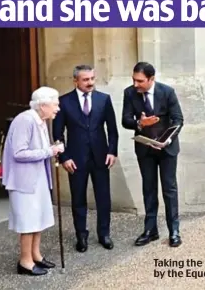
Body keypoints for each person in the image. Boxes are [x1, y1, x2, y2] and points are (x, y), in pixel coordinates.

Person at [52, 65, 119, 253]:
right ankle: (81, 235)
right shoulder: (64, 102)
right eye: (85, 79)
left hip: (101, 157)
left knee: (103, 198)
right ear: (75, 81)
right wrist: (64, 157)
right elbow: (57, 134)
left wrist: (112, 151)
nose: (90, 82)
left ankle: (104, 234)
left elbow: (112, 130)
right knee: (78, 198)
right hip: (75, 159)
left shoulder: (103, 100)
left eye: (92, 78)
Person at [121, 62, 184, 247]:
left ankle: (174, 230)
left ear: (151, 79)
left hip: (167, 148)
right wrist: (140, 124)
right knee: (148, 189)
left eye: (140, 81)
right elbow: (125, 120)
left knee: (169, 189)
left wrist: (167, 140)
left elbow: (178, 119)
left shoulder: (167, 92)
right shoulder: (129, 93)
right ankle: (150, 230)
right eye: (133, 80)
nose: (135, 84)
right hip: (144, 149)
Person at [2, 86, 64, 276]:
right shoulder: (25, 120)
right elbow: (19, 153)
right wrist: (49, 151)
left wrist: (51, 148)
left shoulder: (41, 120)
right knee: (28, 221)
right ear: (43, 105)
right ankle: (25, 261)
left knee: (38, 218)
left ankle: (35, 255)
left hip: (38, 179)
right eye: (55, 104)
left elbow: (38, 148)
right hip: (24, 181)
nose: (58, 108)